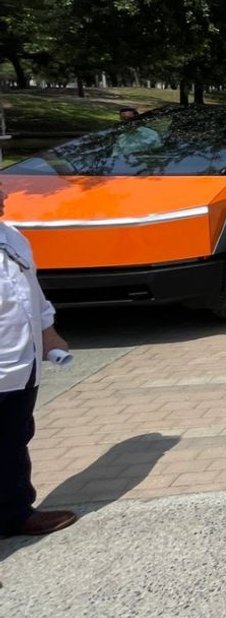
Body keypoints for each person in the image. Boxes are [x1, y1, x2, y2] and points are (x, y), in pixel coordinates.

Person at [0, 182, 77, 539]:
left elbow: (33, 292)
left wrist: (48, 335)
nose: (3, 194)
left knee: (13, 440)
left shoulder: (12, 237)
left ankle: (14, 514)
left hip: (20, 364)